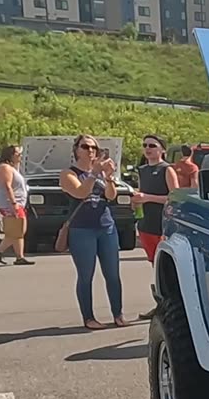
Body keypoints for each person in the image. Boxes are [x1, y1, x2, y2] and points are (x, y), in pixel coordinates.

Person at [59, 134, 127, 330]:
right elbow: (80, 192)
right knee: (86, 274)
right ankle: (89, 318)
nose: (90, 151)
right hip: (82, 229)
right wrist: (93, 173)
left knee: (113, 273)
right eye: (85, 147)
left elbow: (111, 196)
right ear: (76, 150)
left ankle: (118, 314)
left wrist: (109, 177)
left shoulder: (98, 172)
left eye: (94, 148)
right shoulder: (68, 174)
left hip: (106, 226)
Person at [132, 135, 179, 319]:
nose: (148, 148)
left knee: (166, 269)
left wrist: (148, 197)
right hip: (146, 225)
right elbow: (141, 194)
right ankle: (160, 306)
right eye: (145, 145)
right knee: (154, 266)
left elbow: (174, 198)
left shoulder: (167, 169)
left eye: (152, 145)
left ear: (162, 150)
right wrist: (136, 201)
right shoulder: (142, 170)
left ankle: (170, 307)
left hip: (162, 225)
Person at [0, 144, 33, 265]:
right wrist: (13, 202)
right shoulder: (4, 168)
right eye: (18, 154)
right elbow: (7, 186)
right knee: (17, 230)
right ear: (10, 155)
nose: (20, 156)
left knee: (19, 230)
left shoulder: (13, 168)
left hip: (18, 203)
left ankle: (20, 257)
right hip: (9, 203)